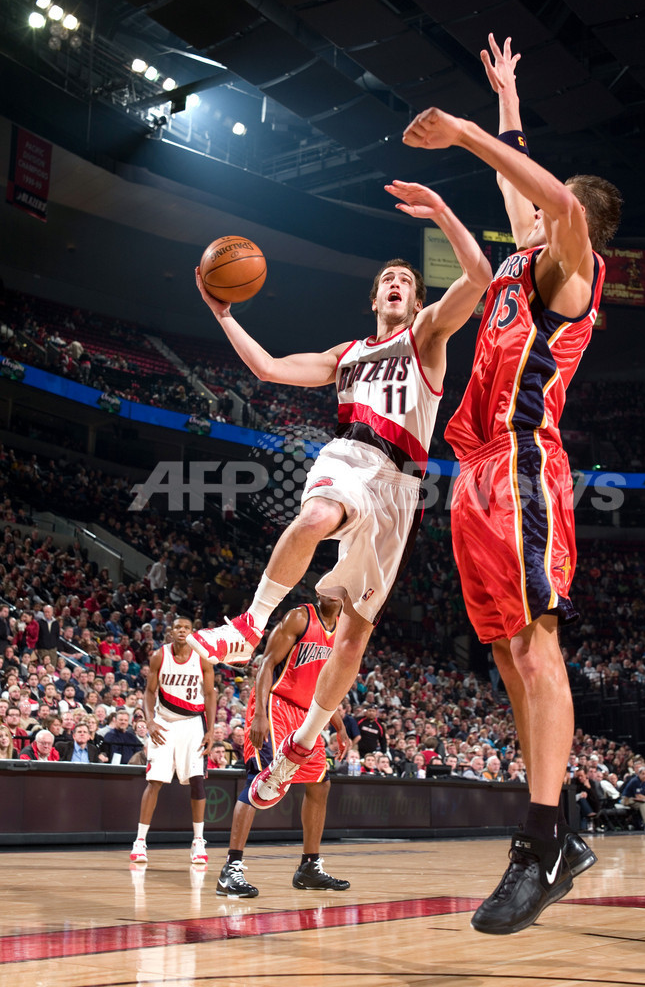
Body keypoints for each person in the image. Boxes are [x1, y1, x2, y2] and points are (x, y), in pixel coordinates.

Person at [402, 33, 622, 936]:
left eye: (545, 203)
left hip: (525, 463)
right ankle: (554, 831)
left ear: (575, 229)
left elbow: (551, 198)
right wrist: (506, 103)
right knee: (503, 654)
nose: (527, 204)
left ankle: (543, 843)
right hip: (475, 472)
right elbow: (518, 183)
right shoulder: (513, 266)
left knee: (536, 649)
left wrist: (463, 130)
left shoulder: (572, 274)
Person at [187, 180, 491, 806]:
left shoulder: (427, 335)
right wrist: (223, 314)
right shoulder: (346, 353)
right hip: (349, 456)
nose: (396, 284)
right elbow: (268, 368)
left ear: (418, 299)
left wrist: (440, 210)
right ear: (374, 297)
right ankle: (251, 623)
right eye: (388, 280)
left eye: (406, 280)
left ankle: (299, 748)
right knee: (316, 514)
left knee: (353, 634)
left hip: (398, 488)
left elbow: (480, 276)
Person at [215, 596, 351, 897]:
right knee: (260, 779)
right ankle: (230, 869)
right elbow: (266, 663)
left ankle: (309, 868)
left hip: (308, 712)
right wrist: (259, 714)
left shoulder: (343, 629)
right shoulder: (299, 618)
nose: (329, 593)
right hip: (276, 703)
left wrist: (339, 726)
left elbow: (328, 685)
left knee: (320, 784)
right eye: (324, 587)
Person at [130, 617, 216, 865]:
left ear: (192, 633)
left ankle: (198, 841)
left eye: (186, 628)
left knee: (197, 781)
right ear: (171, 632)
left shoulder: (202, 657)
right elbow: (149, 692)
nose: (182, 631)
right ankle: (140, 841)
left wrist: (211, 730)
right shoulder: (160, 655)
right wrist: (149, 721)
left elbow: (210, 694)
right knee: (155, 781)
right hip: (164, 722)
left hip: (193, 723)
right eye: (178, 627)